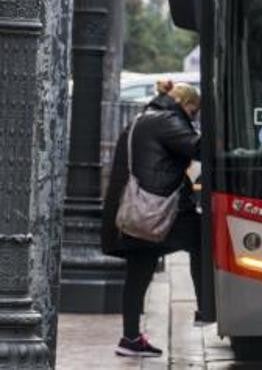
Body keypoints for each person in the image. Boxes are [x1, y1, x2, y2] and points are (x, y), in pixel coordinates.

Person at [101, 81, 205, 358]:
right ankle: (206, 307)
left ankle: (131, 337)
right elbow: (197, 148)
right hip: (160, 210)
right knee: (201, 239)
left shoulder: (143, 117)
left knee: (137, 274)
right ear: (186, 105)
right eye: (194, 112)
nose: (193, 118)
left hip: (138, 212)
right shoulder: (167, 120)